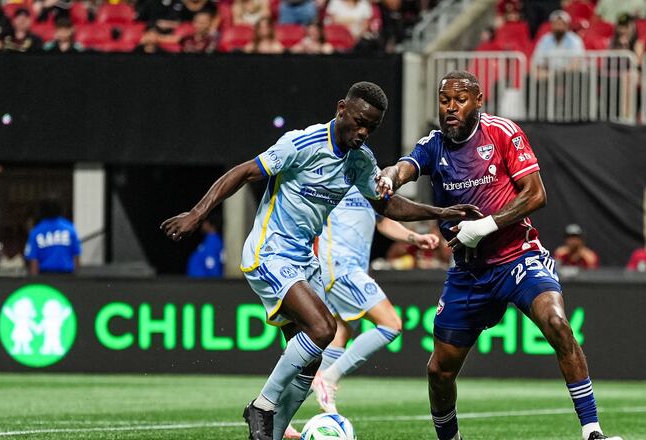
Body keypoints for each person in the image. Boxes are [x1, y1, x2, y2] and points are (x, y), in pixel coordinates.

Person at [161, 81, 480, 440]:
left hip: (303, 261)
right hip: (270, 251)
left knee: (311, 360)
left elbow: (386, 204)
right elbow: (244, 172)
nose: (362, 132)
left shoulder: (360, 160)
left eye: (371, 128)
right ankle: (262, 405)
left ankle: (270, 433)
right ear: (341, 108)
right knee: (324, 329)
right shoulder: (302, 143)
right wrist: (196, 212)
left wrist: (440, 211)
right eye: (358, 121)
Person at [376, 71, 622, 440]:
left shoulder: (502, 133)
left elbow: (536, 194)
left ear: (478, 101)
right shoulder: (433, 145)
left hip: (516, 257)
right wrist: (390, 177)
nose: (451, 108)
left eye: (460, 100)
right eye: (445, 101)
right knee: (439, 371)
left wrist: (486, 225)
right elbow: (405, 168)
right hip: (468, 273)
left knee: (556, 323)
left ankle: (592, 431)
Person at [279, 187, 441, 438]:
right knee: (391, 324)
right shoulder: (333, 175)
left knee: (336, 341)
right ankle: (329, 378)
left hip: (347, 269)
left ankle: (279, 416)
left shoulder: (367, 180)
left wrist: (413, 238)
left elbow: (383, 221)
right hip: (340, 266)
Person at [24, 198, 81, 275]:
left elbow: (34, 261)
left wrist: (34, 281)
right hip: (67, 277)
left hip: (45, 278)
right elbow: (76, 257)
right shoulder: (70, 229)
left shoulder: (36, 232)